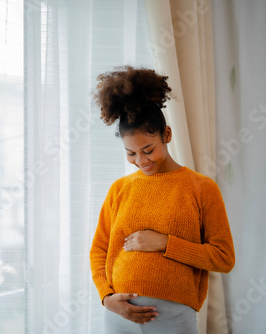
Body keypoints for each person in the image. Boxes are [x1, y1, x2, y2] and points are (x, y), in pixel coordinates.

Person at [89, 66, 235, 334]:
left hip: (172, 317)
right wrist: (107, 298)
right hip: (119, 317)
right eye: (131, 153)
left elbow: (223, 258)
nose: (141, 161)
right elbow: (99, 249)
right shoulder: (119, 189)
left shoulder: (201, 188)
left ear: (166, 135)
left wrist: (166, 243)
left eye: (148, 150)